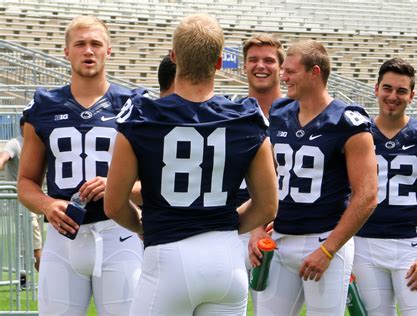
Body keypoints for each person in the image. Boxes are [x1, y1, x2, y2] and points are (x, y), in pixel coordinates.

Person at [104, 13, 278, 315]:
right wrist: (223, 224)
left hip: (167, 256)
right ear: (220, 62)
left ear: (174, 58)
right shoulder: (246, 118)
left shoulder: (143, 117)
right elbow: (267, 206)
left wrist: (144, 225)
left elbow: (114, 204)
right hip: (226, 260)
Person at [17, 15, 144, 315]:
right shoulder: (43, 106)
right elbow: (25, 183)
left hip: (120, 232)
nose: (88, 51)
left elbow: (153, 181)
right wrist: (48, 205)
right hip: (63, 239)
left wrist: (118, 188)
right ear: (66, 51)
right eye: (80, 44)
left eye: (96, 44)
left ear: (108, 51)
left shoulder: (134, 105)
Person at [249, 39, 378, 315]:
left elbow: (367, 196)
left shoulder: (346, 120)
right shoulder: (281, 112)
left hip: (325, 240)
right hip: (281, 239)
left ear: (314, 72)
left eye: (291, 71)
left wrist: (329, 250)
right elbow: (267, 177)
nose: (283, 77)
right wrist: (257, 227)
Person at [353, 58, 417, 315]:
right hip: (365, 246)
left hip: (411, 245)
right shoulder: (357, 132)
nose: (393, 96)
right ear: (376, 89)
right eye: (387, 88)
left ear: (412, 95)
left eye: (401, 91)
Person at [237, 34, 284, 273]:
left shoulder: (297, 115)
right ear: (244, 65)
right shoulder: (230, 113)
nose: (261, 66)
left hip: (278, 229)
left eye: (269, 60)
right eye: (253, 59)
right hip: (231, 223)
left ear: (281, 67)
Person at [0, 117, 42, 272]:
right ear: (22, 127)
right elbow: (3, 157)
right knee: (33, 234)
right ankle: (43, 275)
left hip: (36, 198)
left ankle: (22, 276)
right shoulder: (14, 143)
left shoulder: (38, 144)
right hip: (20, 200)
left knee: (27, 239)